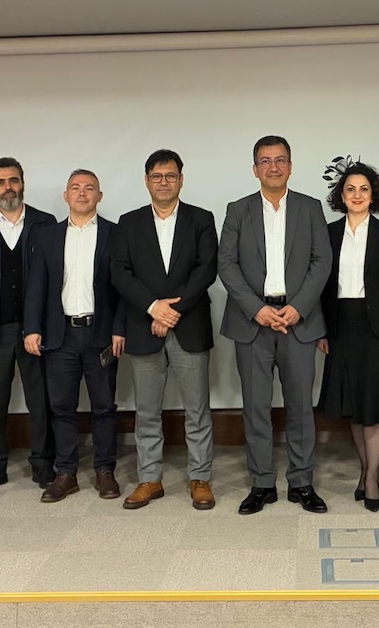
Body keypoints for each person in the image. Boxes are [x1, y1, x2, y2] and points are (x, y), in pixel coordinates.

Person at [220, 135, 331, 515]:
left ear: (290, 166)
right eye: (265, 161)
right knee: (256, 406)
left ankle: (301, 482)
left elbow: (322, 261)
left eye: (280, 160)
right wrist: (256, 309)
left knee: (300, 406)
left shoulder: (310, 208)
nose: (273, 167)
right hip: (253, 322)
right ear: (255, 169)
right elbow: (226, 264)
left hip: (299, 320)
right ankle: (262, 483)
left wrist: (299, 307)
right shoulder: (238, 210)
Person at [111, 150, 220, 511]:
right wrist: (152, 307)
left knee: (197, 409)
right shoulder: (129, 222)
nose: (163, 182)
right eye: (157, 176)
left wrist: (172, 310)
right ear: (146, 181)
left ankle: (200, 477)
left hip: (189, 325)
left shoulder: (201, 219)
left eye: (170, 176)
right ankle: (149, 478)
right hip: (145, 326)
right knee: (146, 411)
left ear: (181, 180)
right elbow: (120, 272)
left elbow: (206, 269)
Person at [316, 162, 379, 512]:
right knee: (354, 406)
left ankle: (372, 477)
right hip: (341, 327)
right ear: (341, 196)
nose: (357, 195)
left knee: (374, 406)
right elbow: (320, 288)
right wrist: (321, 330)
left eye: (364, 189)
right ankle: (364, 468)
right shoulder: (327, 234)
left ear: (374, 196)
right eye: (350, 189)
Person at [25, 169, 122, 504]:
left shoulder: (115, 234)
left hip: (101, 334)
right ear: (66, 196)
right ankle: (66, 472)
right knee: (61, 407)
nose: (82, 193)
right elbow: (36, 285)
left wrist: (119, 328)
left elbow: (123, 288)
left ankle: (105, 470)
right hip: (60, 335)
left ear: (99, 196)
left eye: (89, 188)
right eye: (75, 188)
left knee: (104, 406)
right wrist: (32, 328)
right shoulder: (48, 236)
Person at [0, 157, 57, 493]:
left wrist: (46, 325)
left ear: (23, 183)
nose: (8, 188)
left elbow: (54, 279)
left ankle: (44, 464)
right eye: (0, 182)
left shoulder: (45, 224)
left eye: (13, 180)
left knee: (41, 400)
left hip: (36, 329)